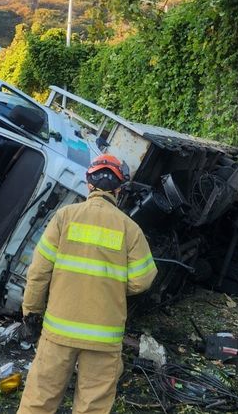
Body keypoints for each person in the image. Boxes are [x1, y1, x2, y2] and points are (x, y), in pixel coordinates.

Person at [17, 154, 158, 414]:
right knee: (92, 407)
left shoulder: (64, 218)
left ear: (88, 184)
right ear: (118, 189)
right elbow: (144, 279)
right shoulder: (130, 229)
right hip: (104, 338)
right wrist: (112, 286)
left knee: (39, 400)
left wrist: (31, 313)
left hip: (59, 333)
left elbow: (38, 272)